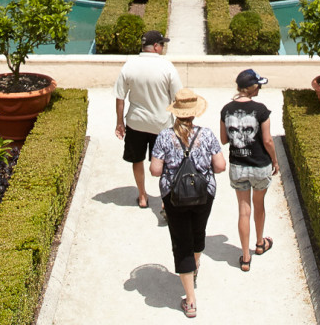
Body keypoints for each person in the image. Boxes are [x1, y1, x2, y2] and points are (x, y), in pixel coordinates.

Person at [150, 88, 226, 318]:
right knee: (198, 232)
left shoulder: (164, 136)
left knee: (181, 241)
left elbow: (155, 170)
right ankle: (195, 265)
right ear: (195, 113)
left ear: (176, 112)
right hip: (204, 193)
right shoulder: (208, 134)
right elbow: (221, 166)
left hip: (175, 197)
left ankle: (191, 301)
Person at [115, 29, 183, 208]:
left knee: (137, 159)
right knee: (165, 163)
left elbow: (120, 97)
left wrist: (119, 122)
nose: (162, 47)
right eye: (162, 44)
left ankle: (142, 196)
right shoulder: (167, 66)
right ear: (155, 46)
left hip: (135, 122)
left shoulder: (129, 65)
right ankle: (164, 200)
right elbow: (178, 98)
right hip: (161, 124)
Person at [220, 69, 279, 272]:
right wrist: (275, 161)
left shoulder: (226, 110)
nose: (260, 88)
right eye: (258, 85)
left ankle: (245, 257)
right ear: (251, 87)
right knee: (259, 205)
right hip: (260, 165)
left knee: (243, 211)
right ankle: (260, 243)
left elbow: (224, 139)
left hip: (238, 166)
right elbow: (268, 141)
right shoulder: (261, 110)